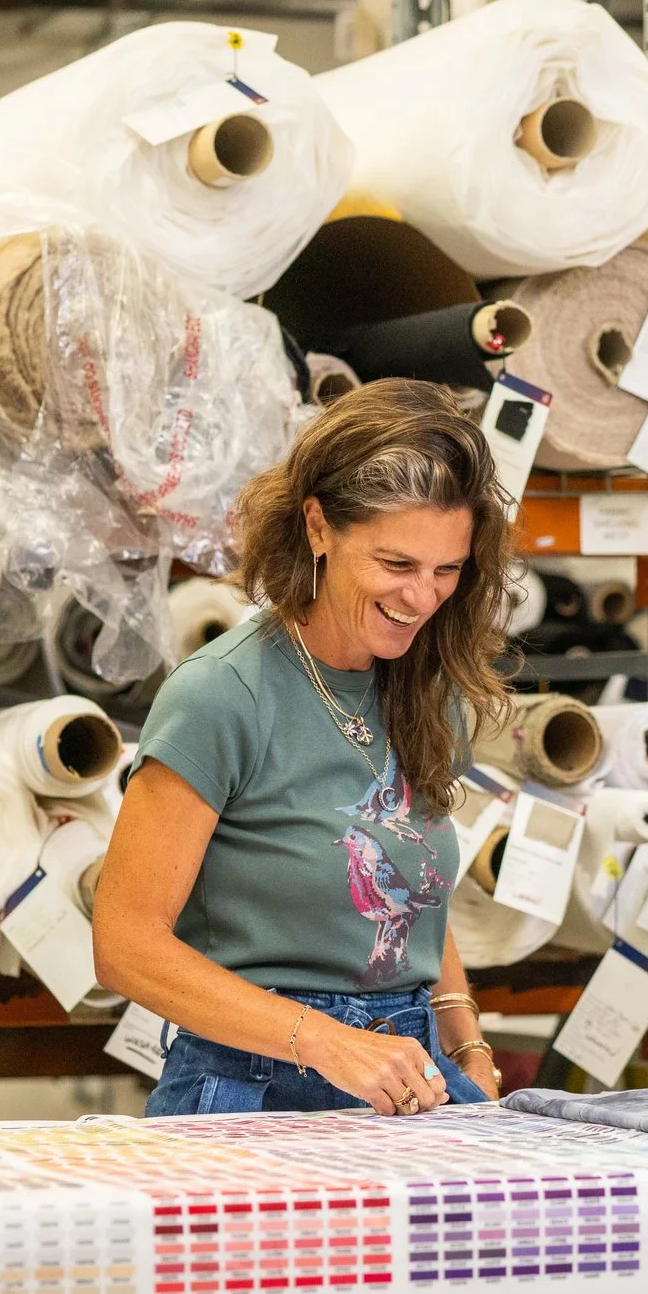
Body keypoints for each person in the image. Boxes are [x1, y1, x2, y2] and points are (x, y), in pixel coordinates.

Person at [93, 379, 511, 1116]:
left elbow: (409, 882)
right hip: (254, 1083)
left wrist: (464, 1037)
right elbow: (125, 944)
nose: (422, 597)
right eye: (396, 565)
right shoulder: (222, 696)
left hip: (409, 1071)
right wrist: (323, 1041)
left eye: (447, 570)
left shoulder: (422, 686)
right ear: (318, 528)